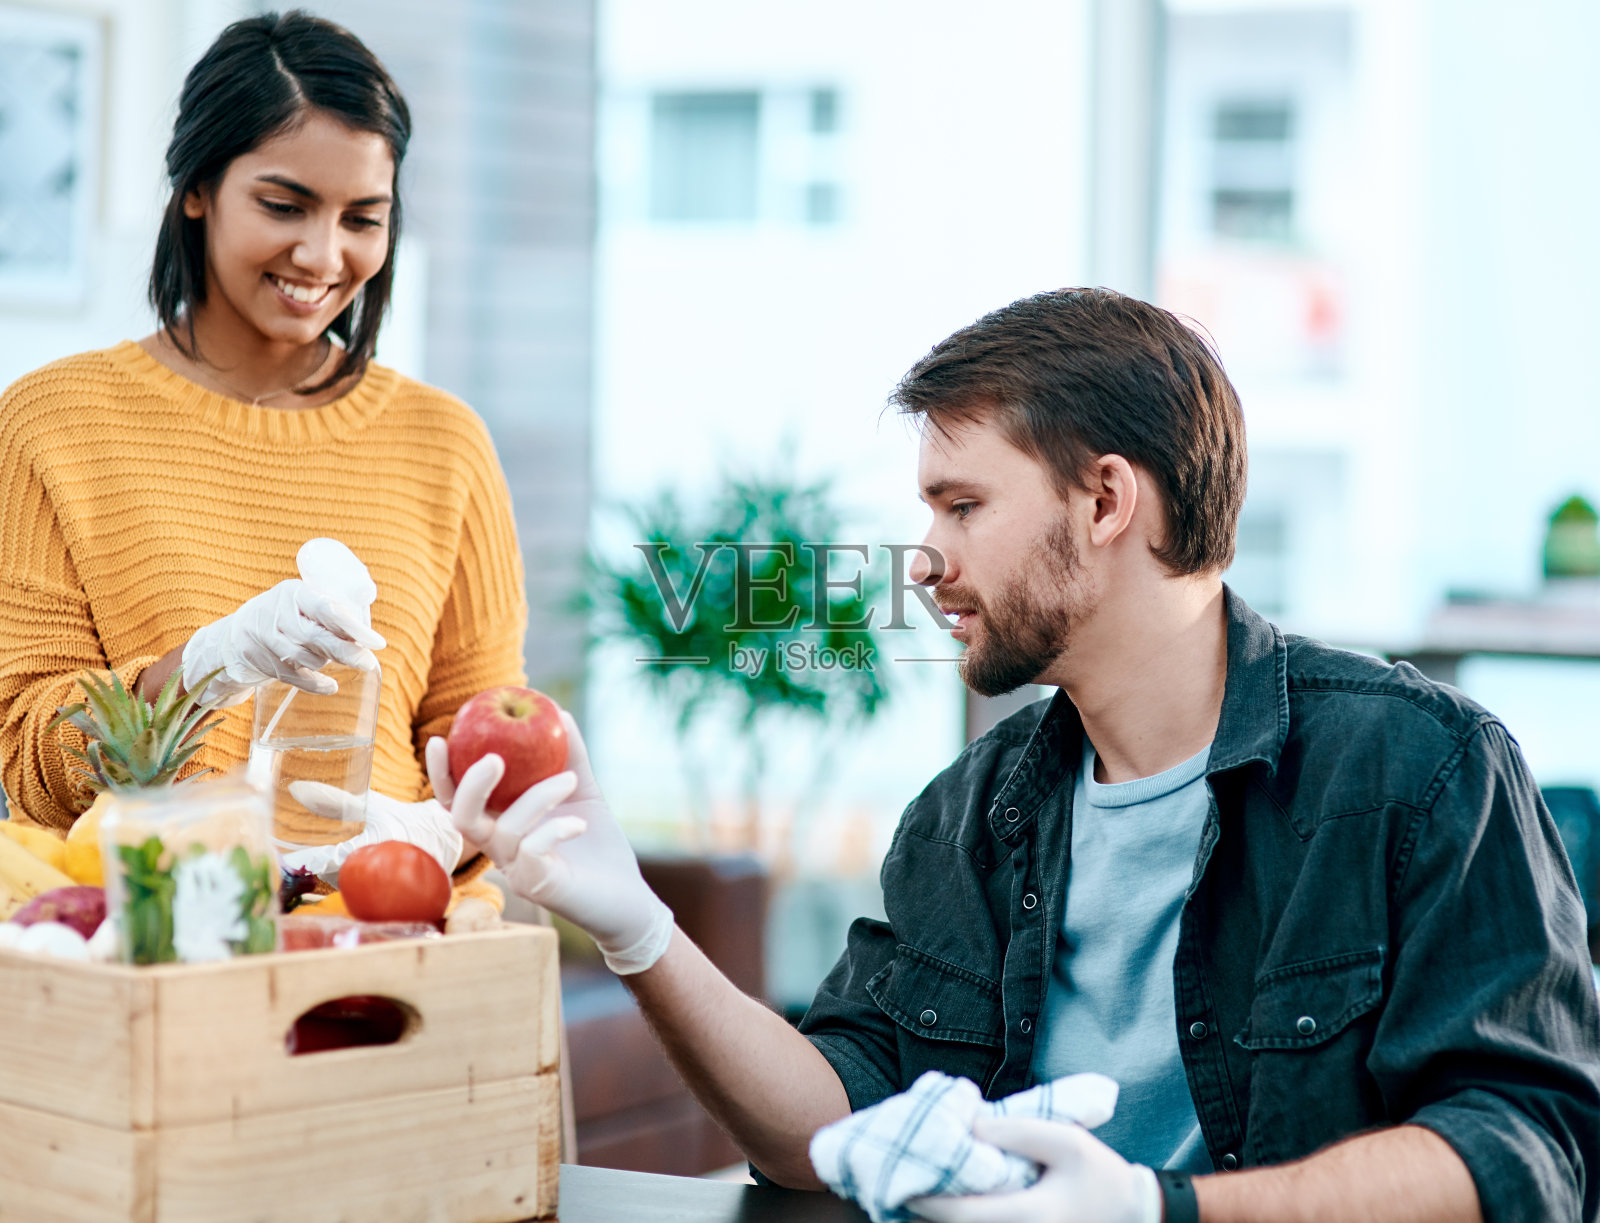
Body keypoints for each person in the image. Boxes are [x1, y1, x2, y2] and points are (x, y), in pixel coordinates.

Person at [437, 289, 1600, 1223]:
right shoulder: (968, 817)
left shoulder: (1417, 767)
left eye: (961, 505)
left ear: (1104, 499)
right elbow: (822, 1131)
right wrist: (639, 923)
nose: (924, 558)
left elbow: (1525, 1153)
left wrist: (1158, 1207)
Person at [0, 12, 524, 892]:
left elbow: (491, 746)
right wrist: (207, 669)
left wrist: (437, 831)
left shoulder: (446, 443)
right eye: (283, 206)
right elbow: (26, 760)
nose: (322, 255)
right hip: (161, 952)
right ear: (198, 187)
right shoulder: (51, 423)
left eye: (363, 217)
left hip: (396, 948)